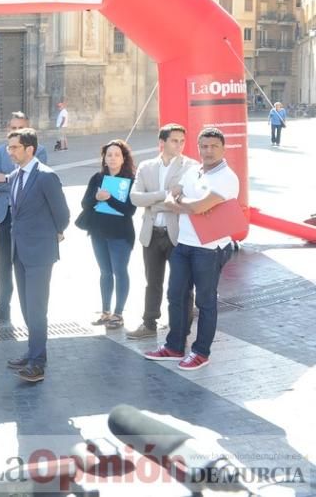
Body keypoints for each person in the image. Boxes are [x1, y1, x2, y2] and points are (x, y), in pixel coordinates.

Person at [145, 127, 239, 370]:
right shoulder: (192, 171)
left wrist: (181, 204)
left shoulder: (227, 177)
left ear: (223, 148)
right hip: (184, 244)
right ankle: (174, 346)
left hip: (209, 248)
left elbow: (200, 206)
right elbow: (171, 196)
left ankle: (201, 352)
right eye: (204, 146)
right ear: (198, 148)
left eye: (213, 146)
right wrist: (183, 204)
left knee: (205, 302)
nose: (208, 151)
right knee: (175, 295)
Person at [4, 128, 70, 383]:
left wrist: (54, 233)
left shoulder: (46, 177)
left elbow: (62, 214)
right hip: (19, 251)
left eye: (14, 148)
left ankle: (38, 362)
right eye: (9, 147)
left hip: (40, 253)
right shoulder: (15, 176)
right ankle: (32, 351)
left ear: (29, 149)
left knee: (37, 307)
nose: (10, 152)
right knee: (26, 306)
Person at [127, 124, 196, 340]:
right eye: (174, 140)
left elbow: (184, 202)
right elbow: (135, 198)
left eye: (182, 141)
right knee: (152, 282)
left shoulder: (191, 167)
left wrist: (153, 202)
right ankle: (149, 323)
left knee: (181, 285)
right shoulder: (146, 167)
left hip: (177, 234)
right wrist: (163, 195)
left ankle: (182, 328)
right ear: (162, 142)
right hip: (151, 233)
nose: (179, 145)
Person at [0, 112, 47, 323]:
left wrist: (6, 179)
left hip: (28, 218)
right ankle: (3, 306)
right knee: (3, 265)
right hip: (5, 215)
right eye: (12, 128)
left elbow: (34, 182)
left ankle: (30, 310)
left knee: (25, 264)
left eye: (20, 128)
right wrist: (9, 179)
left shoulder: (40, 151)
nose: (15, 132)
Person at [79, 139, 137, 329]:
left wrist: (109, 198)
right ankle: (105, 312)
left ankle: (118, 314)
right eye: (109, 155)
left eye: (116, 155)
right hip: (98, 232)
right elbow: (85, 203)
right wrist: (95, 197)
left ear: (123, 159)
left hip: (120, 234)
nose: (112, 158)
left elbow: (129, 210)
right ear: (104, 158)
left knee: (120, 272)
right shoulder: (97, 178)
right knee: (105, 272)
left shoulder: (130, 181)